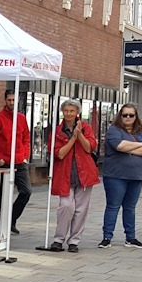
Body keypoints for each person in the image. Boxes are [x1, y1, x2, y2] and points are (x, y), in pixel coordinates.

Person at [48, 99, 99, 253]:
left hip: (84, 173)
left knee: (81, 209)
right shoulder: (57, 131)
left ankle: (74, 241)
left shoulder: (86, 127)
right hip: (65, 173)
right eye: (66, 111)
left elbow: (89, 148)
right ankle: (58, 239)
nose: (69, 114)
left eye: (72, 111)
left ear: (77, 112)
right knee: (66, 206)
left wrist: (80, 135)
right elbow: (60, 154)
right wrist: (73, 138)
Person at [99, 103, 142, 249]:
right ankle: (107, 237)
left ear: (136, 117)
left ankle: (131, 237)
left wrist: (131, 148)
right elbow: (119, 146)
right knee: (113, 206)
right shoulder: (113, 130)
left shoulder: (141, 131)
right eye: (125, 115)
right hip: (116, 176)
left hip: (136, 176)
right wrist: (139, 145)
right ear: (120, 116)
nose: (128, 118)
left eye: (131, 115)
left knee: (130, 207)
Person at [0, 89, 32, 235]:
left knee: (26, 191)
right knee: (2, 194)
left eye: (14, 100)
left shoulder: (21, 118)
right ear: (5, 100)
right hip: (4, 162)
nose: (12, 103)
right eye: (9, 100)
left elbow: (26, 138)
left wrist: (25, 155)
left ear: (18, 100)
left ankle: (11, 220)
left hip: (20, 161)